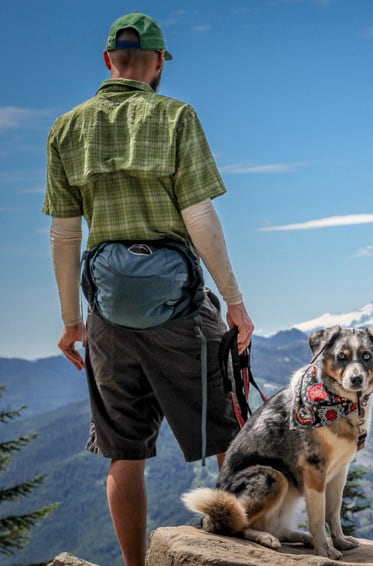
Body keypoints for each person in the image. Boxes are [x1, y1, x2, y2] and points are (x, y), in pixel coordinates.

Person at [42, 13, 253, 566]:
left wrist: (72, 320)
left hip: (108, 315)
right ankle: (235, 552)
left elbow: (64, 234)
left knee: (122, 454)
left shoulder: (66, 129)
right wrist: (234, 302)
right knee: (229, 432)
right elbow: (200, 217)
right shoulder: (176, 117)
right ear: (158, 62)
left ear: (108, 61)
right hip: (180, 311)